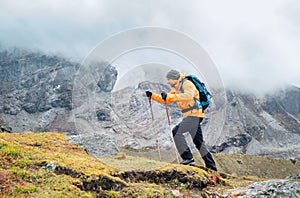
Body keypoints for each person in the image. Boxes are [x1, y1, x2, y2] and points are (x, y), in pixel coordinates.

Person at [146, 69, 217, 171]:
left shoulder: (186, 83)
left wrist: (171, 96)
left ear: (175, 79)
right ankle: (212, 167)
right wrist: (152, 96)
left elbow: (189, 95)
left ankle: (188, 158)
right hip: (191, 115)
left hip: (194, 114)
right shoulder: (176, 88)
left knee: (176, 131)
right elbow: (167, 100)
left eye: (169, 79)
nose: (167, 82)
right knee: (199, 142)